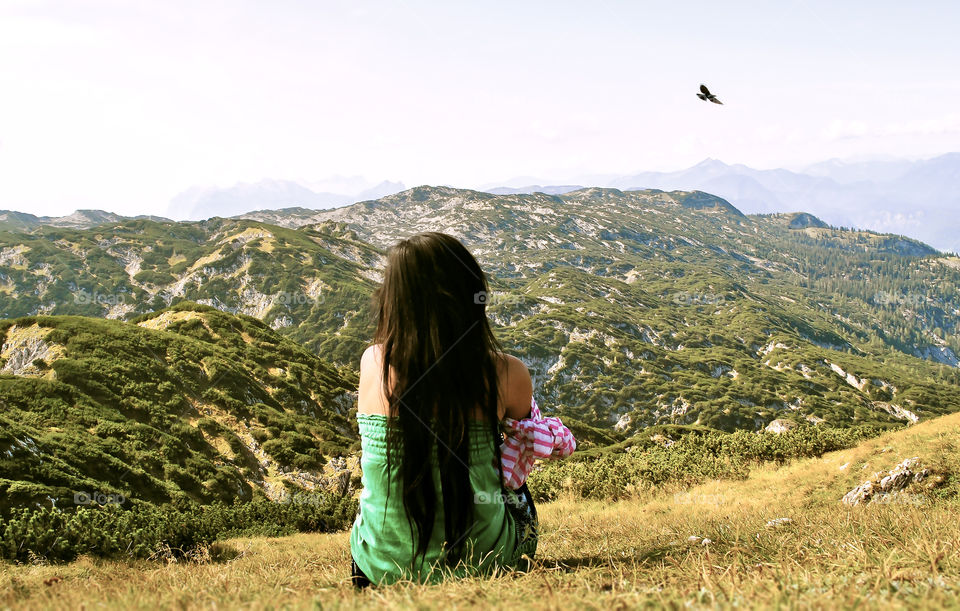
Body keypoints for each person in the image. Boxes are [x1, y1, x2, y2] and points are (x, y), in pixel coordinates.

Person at [349, 232, 540, 586]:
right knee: (515, 484)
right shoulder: (507, 372)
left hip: (378, 568)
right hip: (488, 563)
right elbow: (526, 444)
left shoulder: (372, 361)